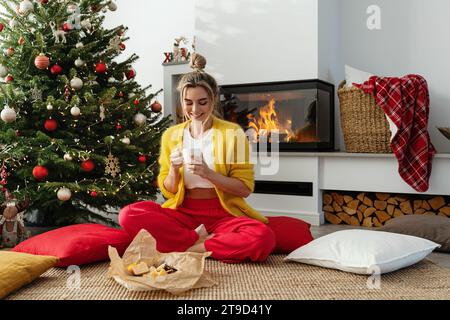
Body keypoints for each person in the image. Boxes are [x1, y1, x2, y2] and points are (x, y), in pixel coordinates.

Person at [119, 53, 276, 263]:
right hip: (184, 215)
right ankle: (200, 242)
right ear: (182, 102)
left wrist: (208, 173)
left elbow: (244, 189)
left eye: (202, 102)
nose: (195, 110)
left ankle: (192, 247)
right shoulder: (171, 135)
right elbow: (168, 191)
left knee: (262, 238)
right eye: (188, 103)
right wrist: (174, 171)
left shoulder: (232, 134)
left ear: (213, 100)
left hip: (223, 215)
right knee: (129, 214)